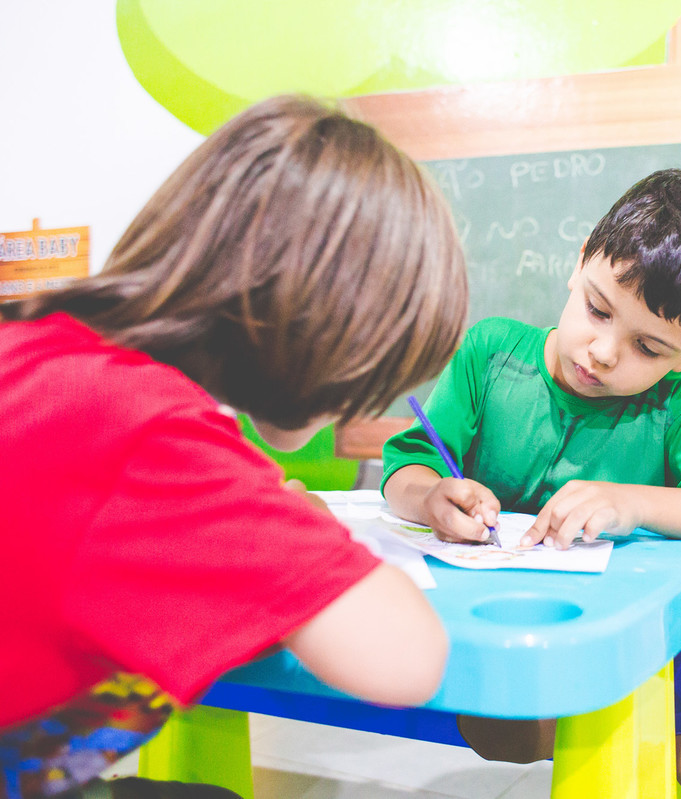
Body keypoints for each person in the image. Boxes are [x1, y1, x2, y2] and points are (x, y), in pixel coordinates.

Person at [0, 95, 469, 799]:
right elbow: (407, 659)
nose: (362, 407)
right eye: (378, 373)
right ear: (327, 326)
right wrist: (296, 519)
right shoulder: (152, 435)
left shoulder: (45, 350)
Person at [381, 169, 681, 798]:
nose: (604, 352)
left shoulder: (674, 410)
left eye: (649, 347)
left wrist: (629, 502)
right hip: (526, 625)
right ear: (580, 261)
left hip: (656, 630)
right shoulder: (491, 356)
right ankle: (668, 692)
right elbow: (406, 469)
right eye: (597, 309)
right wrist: (429, 497)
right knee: (500, 735)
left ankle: (678, 681)